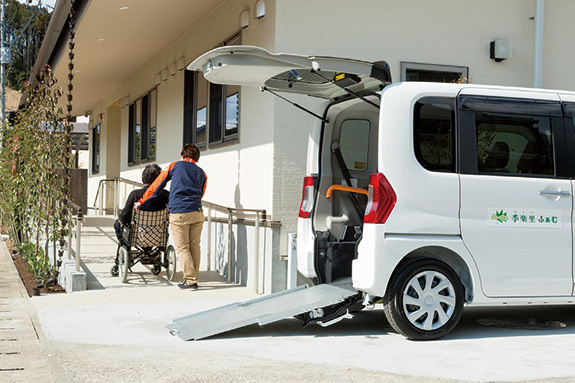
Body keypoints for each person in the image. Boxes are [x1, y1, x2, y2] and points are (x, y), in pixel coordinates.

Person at [138, 144, 207, 290]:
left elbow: (157, 186)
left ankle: (190, 281)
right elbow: (201, 192)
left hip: (179, 213)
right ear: (196, 158)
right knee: (195, 246)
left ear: (183, 155)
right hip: (197, 212)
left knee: (182, 248)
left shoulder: (174, 166)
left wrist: (142, 201)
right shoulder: (202, 172)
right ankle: (193, 278)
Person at [113, 164, 169, 241]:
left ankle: (123, 245)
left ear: (143, 178)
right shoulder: (165, 194)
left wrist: (122, 220)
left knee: (117, 223)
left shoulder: (135, 194)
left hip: (138, 235)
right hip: (158, 235)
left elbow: (125, 215)